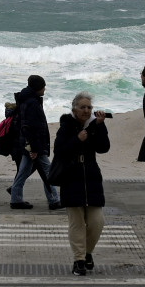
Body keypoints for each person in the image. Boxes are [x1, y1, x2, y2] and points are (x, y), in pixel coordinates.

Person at [53, 91, 110, 276]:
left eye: (89, 107)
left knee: (97, 222)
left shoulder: (95, 125)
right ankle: (79, 260)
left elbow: (103, 148)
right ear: (74, 109)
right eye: (82, 107)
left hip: (92, 177)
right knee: (76, 223)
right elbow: (60, 152)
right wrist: (77, 140)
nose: (86, 110)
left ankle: (87, 253)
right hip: (71, 178)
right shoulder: (66, 126)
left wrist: (100, 126)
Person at [10, 75, 62, 210]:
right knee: (47, 171)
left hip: (28, 143)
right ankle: (54, 200)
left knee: (23, 172)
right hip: (34, 144)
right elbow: (31, 128)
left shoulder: (26, 99)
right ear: (38, 88)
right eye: (43, 86)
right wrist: (34, 148)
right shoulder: (32, 103)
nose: (45, 89)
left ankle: (15, 199)